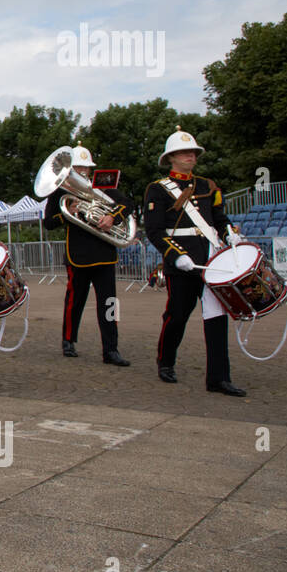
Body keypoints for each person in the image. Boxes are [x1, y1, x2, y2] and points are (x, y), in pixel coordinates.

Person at [143, 128, 244, 396]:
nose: (191, 156)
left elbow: (219, 219)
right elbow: (155, 231)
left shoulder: (207, 186)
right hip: (183, 263)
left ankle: (218, 378)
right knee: (178, 315)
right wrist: (176, 256)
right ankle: (165, 361)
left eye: (193, 153)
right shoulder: (157, 190)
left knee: (216, 317)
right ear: (172, 157)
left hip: (211, 261)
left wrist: (229, 234)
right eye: (185, 152)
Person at [43, 143, 132, 366]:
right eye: (77, 168)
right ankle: (68, 340)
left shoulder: (104, 188)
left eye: (85, 169)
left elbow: (127, 203)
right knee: (75, 301)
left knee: (110, 303)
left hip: (104, 252)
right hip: (78, 254)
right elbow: (49, 223)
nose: (81, 173)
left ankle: (111, 348)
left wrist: (112, 217)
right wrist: (68, 213)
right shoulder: (60, 191)